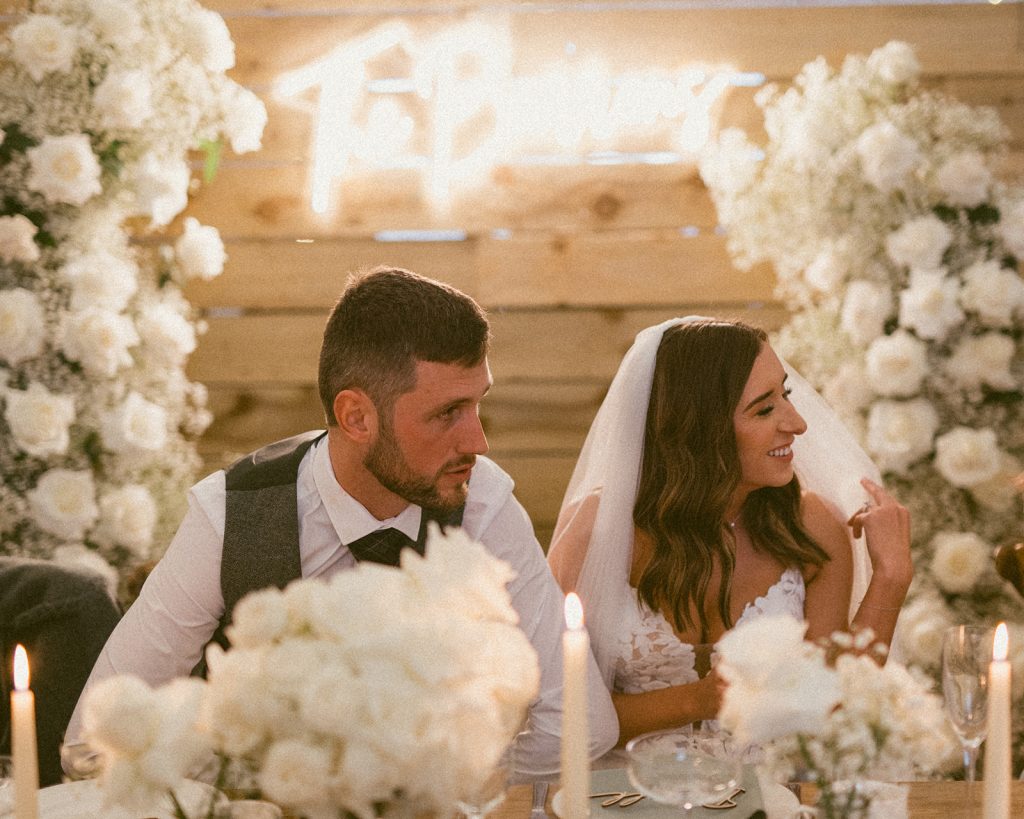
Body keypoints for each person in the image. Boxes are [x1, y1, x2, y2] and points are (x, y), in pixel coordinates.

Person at [66, 266, 618, 776]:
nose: (477, 441)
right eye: (447, 413)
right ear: (356, 416)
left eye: (477, 404)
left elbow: (581, 724)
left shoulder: (482, 501)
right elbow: (91, 744)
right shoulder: (230, 515)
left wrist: (431, 792)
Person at [547, 317, 912, 745]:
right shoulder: (595, 533)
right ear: (699, 430)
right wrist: (698, 700)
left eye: (786, 395)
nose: (797, 423)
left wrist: (891, 577)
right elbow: (559, 713)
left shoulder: (810, 527)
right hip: (623, 799)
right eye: (764, 408)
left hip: (767, 799)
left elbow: (832, 715)